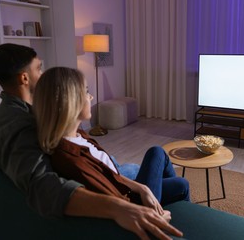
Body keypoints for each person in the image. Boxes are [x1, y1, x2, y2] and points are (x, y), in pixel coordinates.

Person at [0, 43, 184, 239]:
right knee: (162, 166)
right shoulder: (22, 125)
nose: (43, 73)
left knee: (152, 169)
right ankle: (171, 216)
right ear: (24, 77)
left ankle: (173, 210)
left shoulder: (17, 113)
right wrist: (120, 207)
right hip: (108, 182)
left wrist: (139, 186)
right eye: (39, 68)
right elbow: (44, 187)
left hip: (108, 171)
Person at [32, 66, 189, 209]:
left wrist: (142, 187)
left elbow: (112, 176)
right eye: (86, 91)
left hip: (125, 186)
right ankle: (170, 214)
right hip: (132, 204)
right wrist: (141, 196)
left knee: (157, 152)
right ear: (71, 101)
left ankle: (163, 204)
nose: (91, 97)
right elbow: (114, 200)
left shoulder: (78, 136)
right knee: (181, 183)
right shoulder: (72, 159)